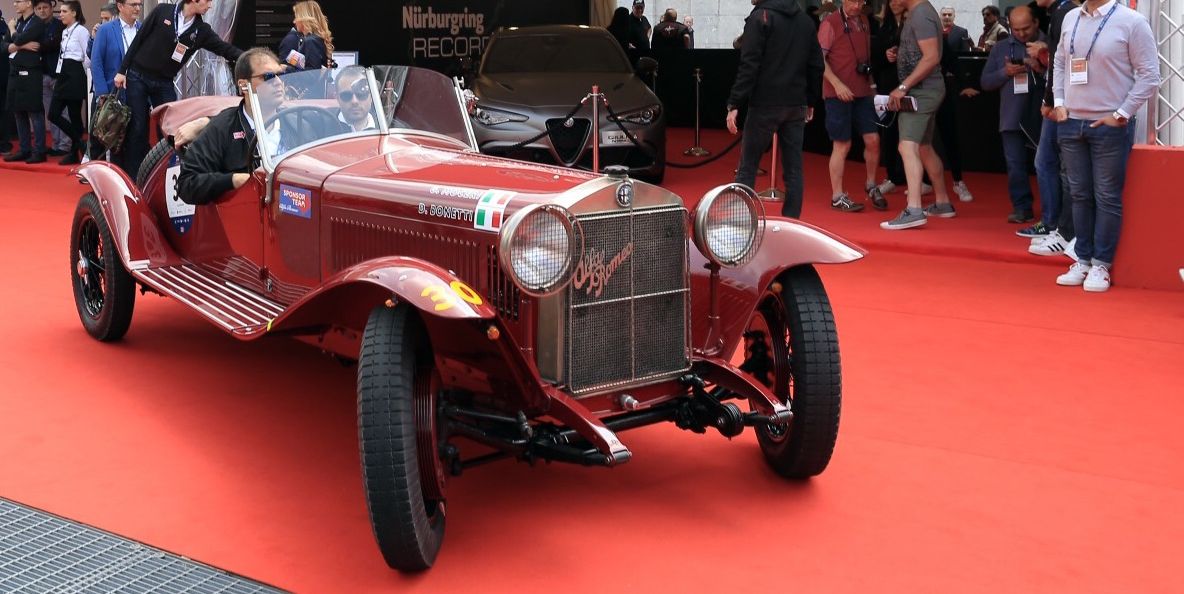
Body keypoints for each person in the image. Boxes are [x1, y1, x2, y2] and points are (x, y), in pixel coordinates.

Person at [1051, 0, 1158, 292]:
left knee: (1107, 196)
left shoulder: (1132, 22)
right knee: (1078, 194)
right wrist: (1059, 102)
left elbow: (1150, 75)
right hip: (1072, 121)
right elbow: (1060, 61)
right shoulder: (1071, 17)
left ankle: (1101, 264)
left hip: (1109, 125)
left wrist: (1121, 113)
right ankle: (1082, 259)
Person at [114, 0, 243, 181]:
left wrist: (252, 58)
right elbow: (139, 39)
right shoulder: (162, 11)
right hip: (138, 76)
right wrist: (122, 71)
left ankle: (165, 177)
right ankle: (134, 179)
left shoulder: (201, 30)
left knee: (170, 129)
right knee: (138, 128)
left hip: (164, 82)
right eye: (207, 1)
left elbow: (225, 49)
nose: (210, 6)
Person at [726, 0, 824, 219]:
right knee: (793, 169)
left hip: (765, 102)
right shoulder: (805, 21)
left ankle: (741, 221)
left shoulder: (760, 17)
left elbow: (749, 64)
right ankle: (791, 221)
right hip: (795, 102)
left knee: (748, 166)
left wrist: (735, 103)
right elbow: (816, 64)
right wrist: (811, 101)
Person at [880, 0, 956, 229]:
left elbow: (931, 57)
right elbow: (925, 53)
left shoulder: (921, 14)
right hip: (924, 89)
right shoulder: (919, 12)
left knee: (907, 146)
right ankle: (942, 202)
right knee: (923, 146)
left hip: (920, 92)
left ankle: (913, 209)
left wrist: (903, 87)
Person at [177, 48, 284, 205]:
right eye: (267, 77)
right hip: (246, 217)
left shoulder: (299, 124)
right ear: (243, 85)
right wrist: (233, 180)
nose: (278, 83)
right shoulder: (222, 128)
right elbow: (187, 184)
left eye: (280, 75)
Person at [980, 6, 1045, 223]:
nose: (1021, 33)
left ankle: (1052, 211)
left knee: (1047, 165)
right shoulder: (1000, 49)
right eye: (1016, 29)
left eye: (1025, 28)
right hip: (1012, 115)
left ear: (1036, 23)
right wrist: (1004, 73)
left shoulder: (1049, 43)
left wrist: (1042, 67)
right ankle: (1021, 207)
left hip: (1043, 115)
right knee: (1015, 165)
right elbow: (985, 82)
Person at [818, 0, 884, 212]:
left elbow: (865, 58)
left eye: (862, 1)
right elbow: (819, 60)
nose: (858, 5)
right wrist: (837, 85)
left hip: (863, 90)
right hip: (837, 94)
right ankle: (837, 195)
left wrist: (872, 85)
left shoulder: (864, 20)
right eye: (854, 1)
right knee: (842, 144)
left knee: (873, 140)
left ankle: (871, 185)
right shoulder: (830, 23)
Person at [89, 0, 141, 162]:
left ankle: (131, 180)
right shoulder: (106, 30)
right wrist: (102, 93)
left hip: (138, 94)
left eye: (139, 4)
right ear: (120, 6)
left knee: (134, 140)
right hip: (113, 94)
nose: (138, 8)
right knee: (106, 140)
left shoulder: (142, 29)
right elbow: (96, 62)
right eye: (133, 4)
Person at [935, 6, 977, 203]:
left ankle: (958, 181)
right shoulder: (907, 39)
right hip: (917, 94)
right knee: (920, 143)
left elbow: (953, 62)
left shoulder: (941, 39)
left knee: (949, 136)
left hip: (941, 92)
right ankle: (924, 182)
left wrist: (965, 84)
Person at [4, 0, 48, 164]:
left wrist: (13, 31)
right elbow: (4, 45)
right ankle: (24, 149)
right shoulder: (19, 22)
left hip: (31, 71)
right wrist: (21, 46)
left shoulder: (36, 22)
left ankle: (39, 150)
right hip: (14, 70)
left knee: (34, 111)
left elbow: (19, 38)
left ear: (29, 3)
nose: (15, 4)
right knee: (17, 110)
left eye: (18, 1)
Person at [871, 0, 907, 195]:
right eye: (890, 1)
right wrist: (885, 56)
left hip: (910, 86)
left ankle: (919, 178)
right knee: (889, 132)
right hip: (887, 86)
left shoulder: (913, 25)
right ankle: (892, 175)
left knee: (912, 134)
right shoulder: (883, 27)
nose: (894, 4)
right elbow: (873, 59)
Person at [47, 0, 86, 164]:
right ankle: (81, 143)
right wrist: (58, 74)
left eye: (64, 11)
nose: (60, 14)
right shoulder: (65, 32)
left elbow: (87, 56)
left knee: (75, 115)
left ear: (74, 13)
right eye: (60, 11)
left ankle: (73, 153)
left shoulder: (81, 31)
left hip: (75, 73)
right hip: (63, 74)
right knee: (53, 114)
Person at [34, 0, 68, 157]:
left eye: (45, 7)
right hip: (42, 74)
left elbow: (54, 44)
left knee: (63, 112)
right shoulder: (34, 27)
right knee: (51, 113)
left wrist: (36, 45)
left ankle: (65, 145)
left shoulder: (60, 24)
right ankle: (56, 144)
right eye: (39, 8)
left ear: (51, 8)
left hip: (58, 75)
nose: (42, 11)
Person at [277, 0, 333, 72]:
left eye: (296, 17)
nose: (294, 21)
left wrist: (286, 68)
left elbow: (312, 74)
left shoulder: (311, 41)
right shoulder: (315, 39)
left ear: (304, 19)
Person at [333, 65, 376, 132]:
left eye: (361, 94)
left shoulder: (389, 127)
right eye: (346, 95)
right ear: (337, 98)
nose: (354, 101)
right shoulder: (323, 126)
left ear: (372, 96)